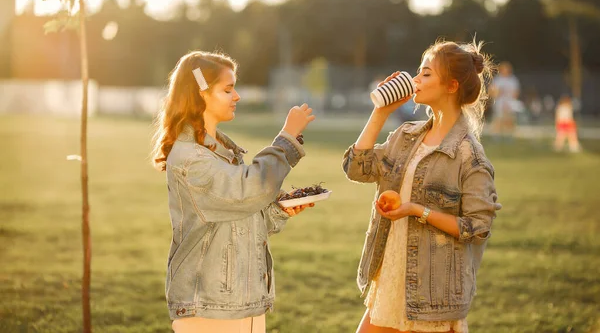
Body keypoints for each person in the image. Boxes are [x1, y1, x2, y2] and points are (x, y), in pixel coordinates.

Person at [342, 40, 502, 333]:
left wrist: (417, 210)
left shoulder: (469, 155)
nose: (415, 79)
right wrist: (380, 112)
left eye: (426, 73)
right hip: (391, 278)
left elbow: (479, 226)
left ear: (451, 86)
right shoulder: (406, 136)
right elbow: (357, 167)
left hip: (433, 293)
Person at [151, 51, 316, 333]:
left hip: (241, 302)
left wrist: (278, 210)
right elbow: (248, 188)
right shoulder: (191, 159)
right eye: (228, 89)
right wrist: (286, 139)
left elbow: (240, 214)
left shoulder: (223, 153)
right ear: (200, 93)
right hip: (208, 309)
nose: (237, 96)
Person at [490, 61, 520, 140]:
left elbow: (516, 92)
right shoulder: (498, 80)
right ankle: (496, 135)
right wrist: (498, 93)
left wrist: (510, 101)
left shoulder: (513, 80)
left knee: (509, 120)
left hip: (510, 102)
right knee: (498, 119)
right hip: (500, 102)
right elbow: (492, 91)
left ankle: (509, 136)